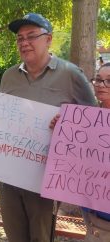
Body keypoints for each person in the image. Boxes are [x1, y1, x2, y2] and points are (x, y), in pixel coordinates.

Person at [0, 13, 96, 242]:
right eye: (20, 38)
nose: (24, 42)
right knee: (14, 237)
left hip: (46, 179)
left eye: (31, 36)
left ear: (48, 39)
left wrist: (69, 124)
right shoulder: (9, 76)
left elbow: (93, 124)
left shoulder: (71, 75)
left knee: (41, 238)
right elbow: (0, 118)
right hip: (8, 175)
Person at [50, 63, 110, 242]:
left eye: (108, 81)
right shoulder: (88, 119)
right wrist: (61, 131)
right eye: (98, 80)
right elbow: (78, 156)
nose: (101, 84)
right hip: (91, 214)